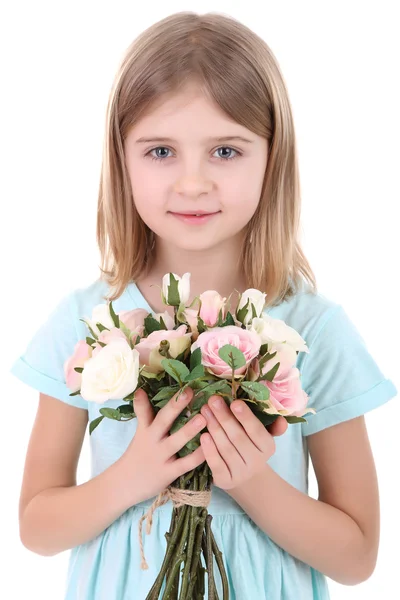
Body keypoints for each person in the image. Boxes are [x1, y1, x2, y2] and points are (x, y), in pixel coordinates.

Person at [9, 11, 397, 600]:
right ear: (121, 160)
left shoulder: (315, 328)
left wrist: (251, 481)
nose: (193, 183)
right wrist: (133, 476)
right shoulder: (88, 320)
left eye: (225, 150)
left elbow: (358, 556)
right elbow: (36, 528)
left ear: (273, 158)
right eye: (161, 150)